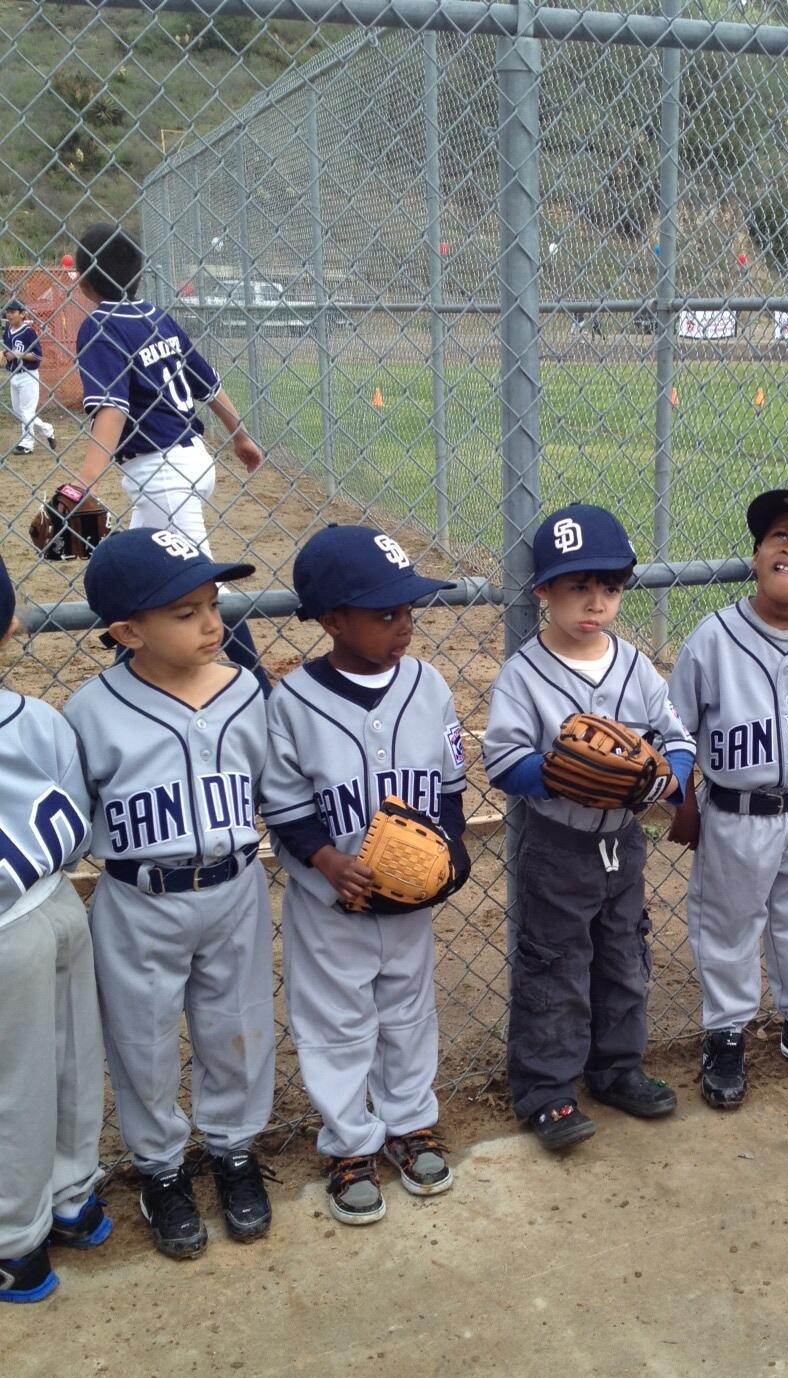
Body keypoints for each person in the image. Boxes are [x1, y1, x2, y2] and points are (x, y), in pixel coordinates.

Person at [64, 529, 276, 1260]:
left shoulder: (246, 688)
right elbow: (75, 814)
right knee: (143, 1040)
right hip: (138, 898)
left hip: (236, 886)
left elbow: (272, 788)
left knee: (238, 1025)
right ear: (127, 631)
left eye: (213, 604)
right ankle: (160, 1169)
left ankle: (235, 1150)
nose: (212, 623)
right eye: (184, 612)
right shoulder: (90, 710)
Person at [261, 525, 469, 1224]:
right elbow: (286, 807)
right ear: (332, 621)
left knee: (410, 1014)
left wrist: (454, 854)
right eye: (386, 614)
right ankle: (349, 1141)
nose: (404, 624)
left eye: (409, 610)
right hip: (329, 908)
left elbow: (446, 790)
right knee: (336, 1023)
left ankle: (411, 1123)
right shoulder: (291, 703)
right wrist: (325, 859)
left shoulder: (429, 685)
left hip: (409, 908)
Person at [482, 504, 695, 1149]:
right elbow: (502, 759)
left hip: (623, 840)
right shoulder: (524, 673)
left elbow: (675, 740)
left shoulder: (634, 665)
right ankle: (547, 1091)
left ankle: (617, 1068)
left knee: (625, 956)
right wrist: (554, 776)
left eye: (608, 587)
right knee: (555, 965)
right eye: (577, 586)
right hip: (558, 842)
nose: (595, 602)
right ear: (544, 591)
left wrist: (667, 780)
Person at [668, 489, 788, 1107]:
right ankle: (724, 1029)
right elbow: (677, 733)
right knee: (726, 927)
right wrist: (685, 801)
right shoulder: (713, 639)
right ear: (756, 554)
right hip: (734, 812)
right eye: (778, 536)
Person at [72, 223, 270, 693]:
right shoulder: (156, 316)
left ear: (83, 281)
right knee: (142, 578)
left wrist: (82, 483)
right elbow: (209, 385)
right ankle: (128, 673)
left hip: (161, 471)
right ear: (140, 275)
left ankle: (259, 687)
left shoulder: (100, 325)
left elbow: (113, 411)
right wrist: (239, 436)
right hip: (189, 460)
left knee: (198, 583)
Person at [0, 554, 109, 1303]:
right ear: (11, 624)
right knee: (73, 1059)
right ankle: (75, 1199)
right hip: (59, 905)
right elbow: (77, 835)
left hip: (6, 935)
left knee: (14, 1088)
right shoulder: (39, 721)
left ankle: (15, 1243)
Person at [3, 300, 55, 456]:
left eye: (13, 311)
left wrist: (21, 355)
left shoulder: (29, 332)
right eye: (8, 311)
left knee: (26, 412)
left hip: (28, 376)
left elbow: (38, 356)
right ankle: (47, 429)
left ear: (22, 314)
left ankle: (27, 444)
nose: (9, 314)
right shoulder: (7, 330)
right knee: (19, 411)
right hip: (13, 375)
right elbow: (7, 352)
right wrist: (5, 355)